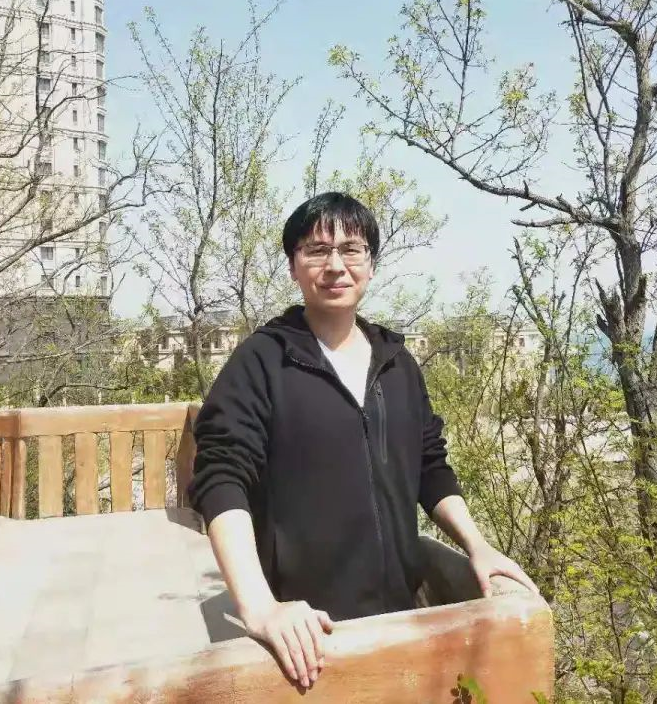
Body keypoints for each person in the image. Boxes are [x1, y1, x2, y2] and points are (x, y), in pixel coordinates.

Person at [188, 192, 537, 689]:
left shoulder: (397, 363)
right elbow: (221, 480)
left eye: (351, 249)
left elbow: (430, 467)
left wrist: (477, 546)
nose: (336, 265)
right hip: (309, 634)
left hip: (403, 621)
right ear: (293, 266)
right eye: (317, 250)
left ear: (371, 265)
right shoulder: (262, 362)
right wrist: (260, 607)